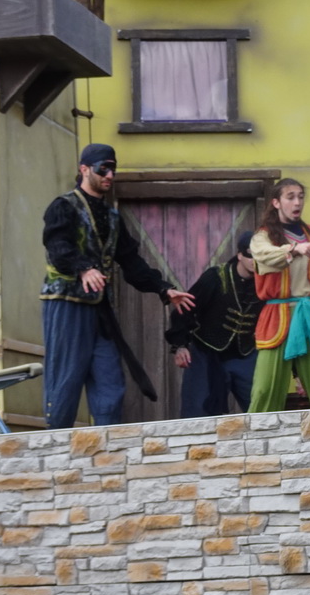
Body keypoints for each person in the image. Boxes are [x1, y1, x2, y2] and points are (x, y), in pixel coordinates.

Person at [40, 143, 195, 429]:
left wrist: (163, 288)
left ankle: (107, 451)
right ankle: (55, 451)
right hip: (66, 305)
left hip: (100, 310)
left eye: (113, 169)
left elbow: (130, 261)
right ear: (84, 169)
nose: (110, 174)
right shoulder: (63, 206)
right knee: (65, 381)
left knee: (110, 384)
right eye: (103, 168)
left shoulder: (112, 217)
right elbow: (57, 246)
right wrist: (84, 269)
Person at [247, 178, 310, 412]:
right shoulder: (263, 236)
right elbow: (264, 256)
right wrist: (293, 249)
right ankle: (259, 443)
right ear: (276, 202)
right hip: (277, 317)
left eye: (300, 196)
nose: (297, 201)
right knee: (264, 390)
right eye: (290, 197)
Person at [165, 231, 263, 418]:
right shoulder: (216, 277)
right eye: (250, 255)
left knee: (261, 407)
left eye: (260, 255)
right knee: (197, 412)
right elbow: (184, 309)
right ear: (240, 255)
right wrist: (180, 345)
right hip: (206, 353)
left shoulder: (266, 282)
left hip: (245, 353)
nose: (255, 260)